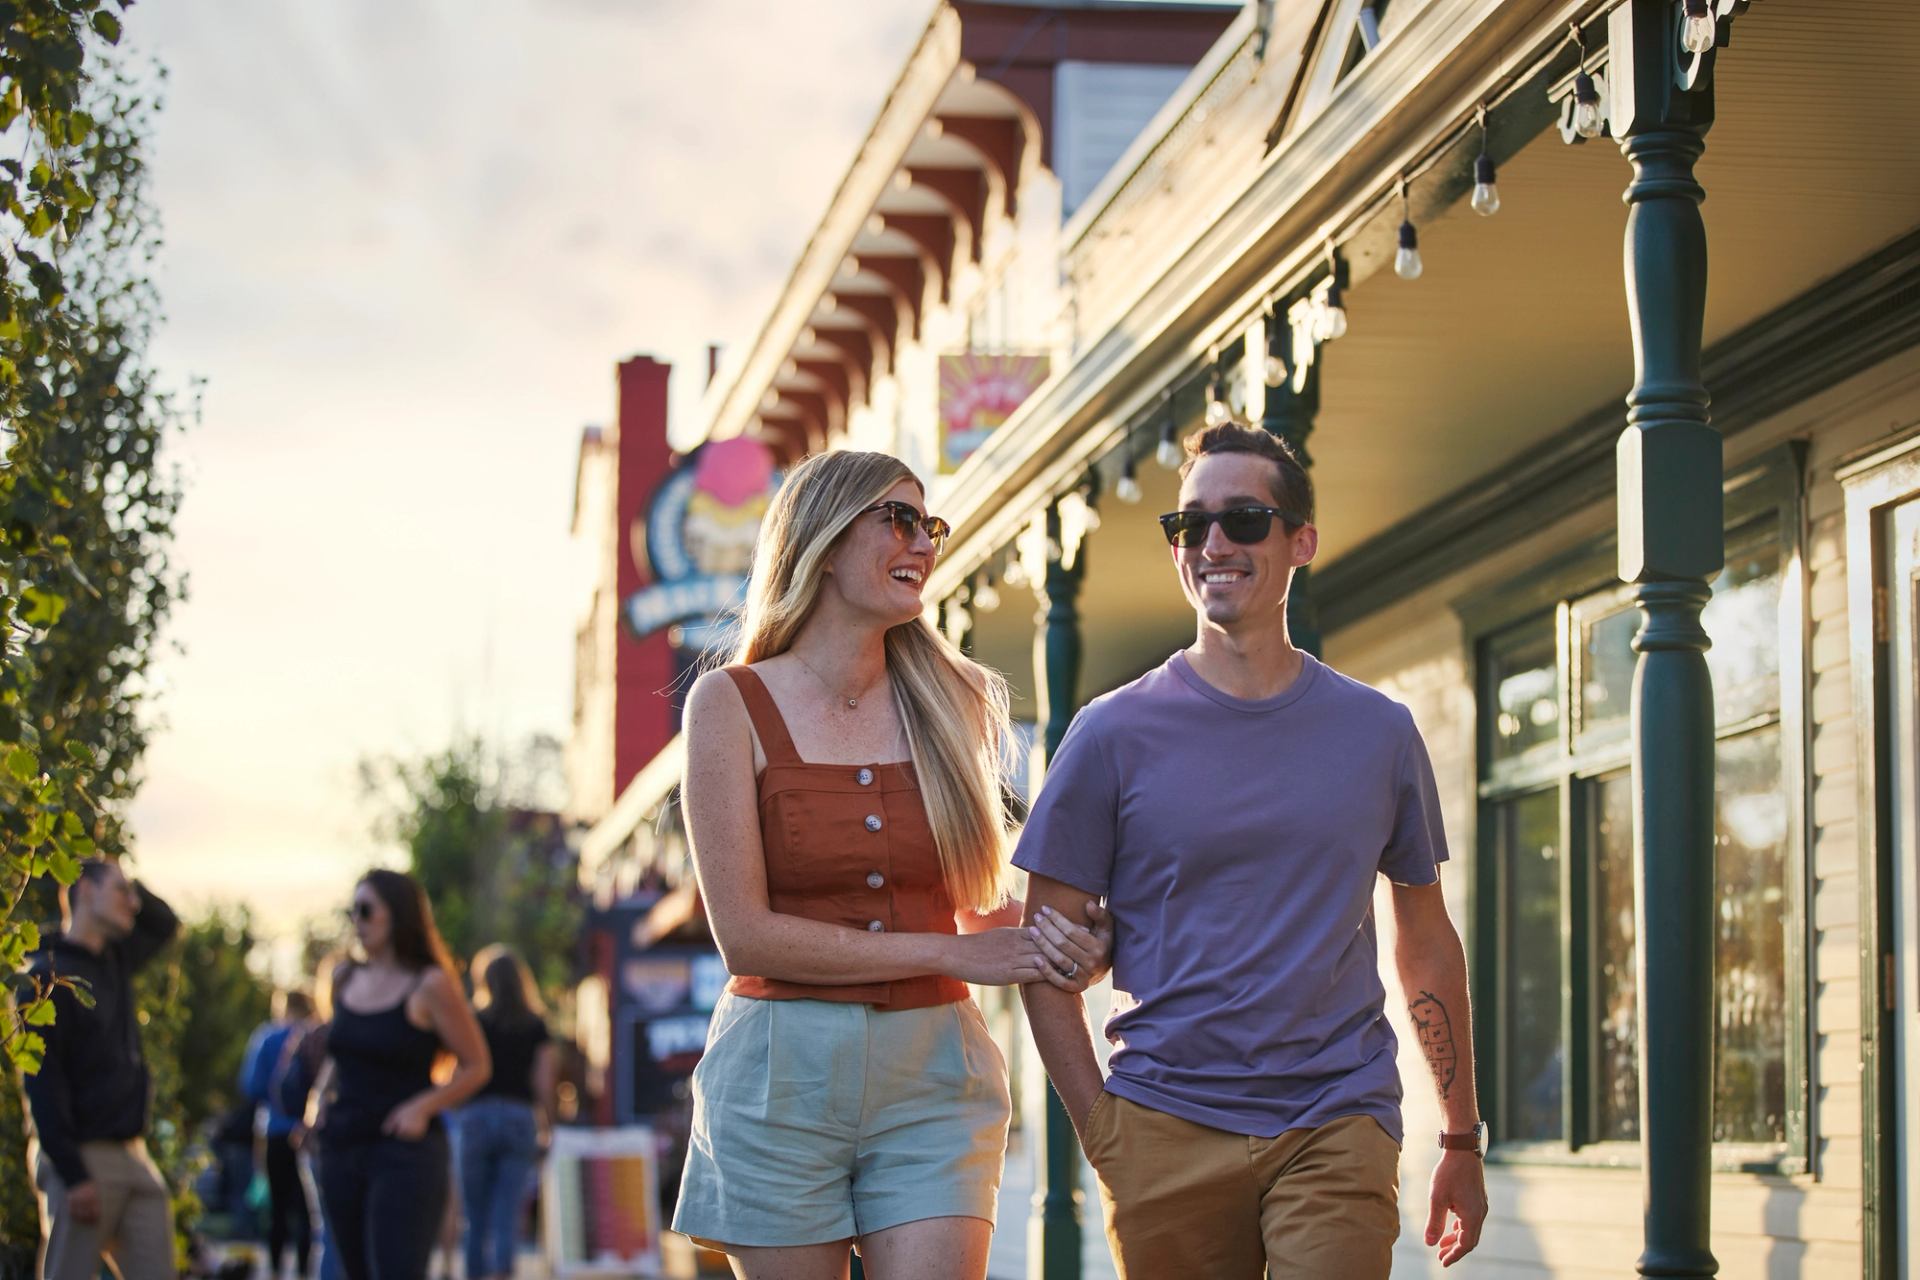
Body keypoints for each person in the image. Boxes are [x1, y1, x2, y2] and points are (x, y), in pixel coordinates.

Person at [1016, 422, 1490, 1279]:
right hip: (1163, 1128)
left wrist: (1460, 1132)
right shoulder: (1110, 733)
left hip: (1337, 1118)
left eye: (1243, 519)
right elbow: (1041, 950)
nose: (1212, 544)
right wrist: (1106, 1134)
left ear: (1300, 541)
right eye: (1189, 525)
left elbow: (1424, 939)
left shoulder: (1378, 733)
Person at [671, 450, 1111, 1280]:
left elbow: (974, 909)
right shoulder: (727, 704)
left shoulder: (957, 699)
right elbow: (746, 938)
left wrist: (1070, 935)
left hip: (933, 1076)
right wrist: (956, 953)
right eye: (897, 519)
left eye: (928, 523)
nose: (923, 541)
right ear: (825, 543)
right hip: (778, 1081)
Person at [310, 870, 490, 1280]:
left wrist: (423, 1107)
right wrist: (317, 1099)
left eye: (366, 909)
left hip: (403, 1153)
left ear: (398, 914)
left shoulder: (429, 984)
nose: (356, 920)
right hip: (341, 1146)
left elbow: (477, 1065)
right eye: (351, 910)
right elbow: (342, 1054)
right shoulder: (345, 978)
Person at [18, 857, 180, 1280]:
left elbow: (165, 922)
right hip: (82, 1158)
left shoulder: (115, 959)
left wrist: (129, 879)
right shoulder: (43, 979)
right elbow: (41, 1084)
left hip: (134, 1154)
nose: (132, 904)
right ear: (85, 891)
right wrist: (73, 1175)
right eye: (120, 891)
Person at [454, 945, 557, 1280]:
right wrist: (549, 1126)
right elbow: (543, 1082)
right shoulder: (535, 1025)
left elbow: (459, 1075)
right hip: (518, 1118)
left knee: (475, 1216)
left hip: (476, 1116)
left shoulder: (472, 1021)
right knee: (507, 1214)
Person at [243, 989, 318, 1277]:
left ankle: (274, 1271)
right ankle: (305, 1271)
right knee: (307, 1211)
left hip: (274, 1130)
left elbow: (251, 1087)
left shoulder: (266, 1037)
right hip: (308, 1132)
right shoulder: (315, 1034)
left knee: (277, 1208)